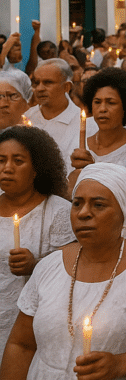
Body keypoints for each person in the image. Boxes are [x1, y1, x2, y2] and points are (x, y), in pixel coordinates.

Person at [2, 163, 126, 380]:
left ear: (124, 213)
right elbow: (21, 345)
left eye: (98, 205)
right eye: (77, 203)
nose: (83, 213)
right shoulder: (49, 266)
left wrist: (121, 364)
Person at [0, 127, 74, 346]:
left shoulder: (57, 211)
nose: (7, 168)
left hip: (34, 322)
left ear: (36, 169)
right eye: (1, 160)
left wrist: (36, 264)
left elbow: (72, 264)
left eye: (18, 161)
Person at [69, 68, 126, 239]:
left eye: (111, 103)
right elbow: (69, 196)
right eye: (97, 102)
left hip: (124, 236)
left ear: (125, 107)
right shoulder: (78, 145)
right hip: (82, 234)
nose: (102, 109)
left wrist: (95, 174)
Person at [24, 59, 80, 160]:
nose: (40, 88)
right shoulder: (27, 118)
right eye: (36, 83)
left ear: (66, 87)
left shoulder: (83, 122)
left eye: (48, 82)